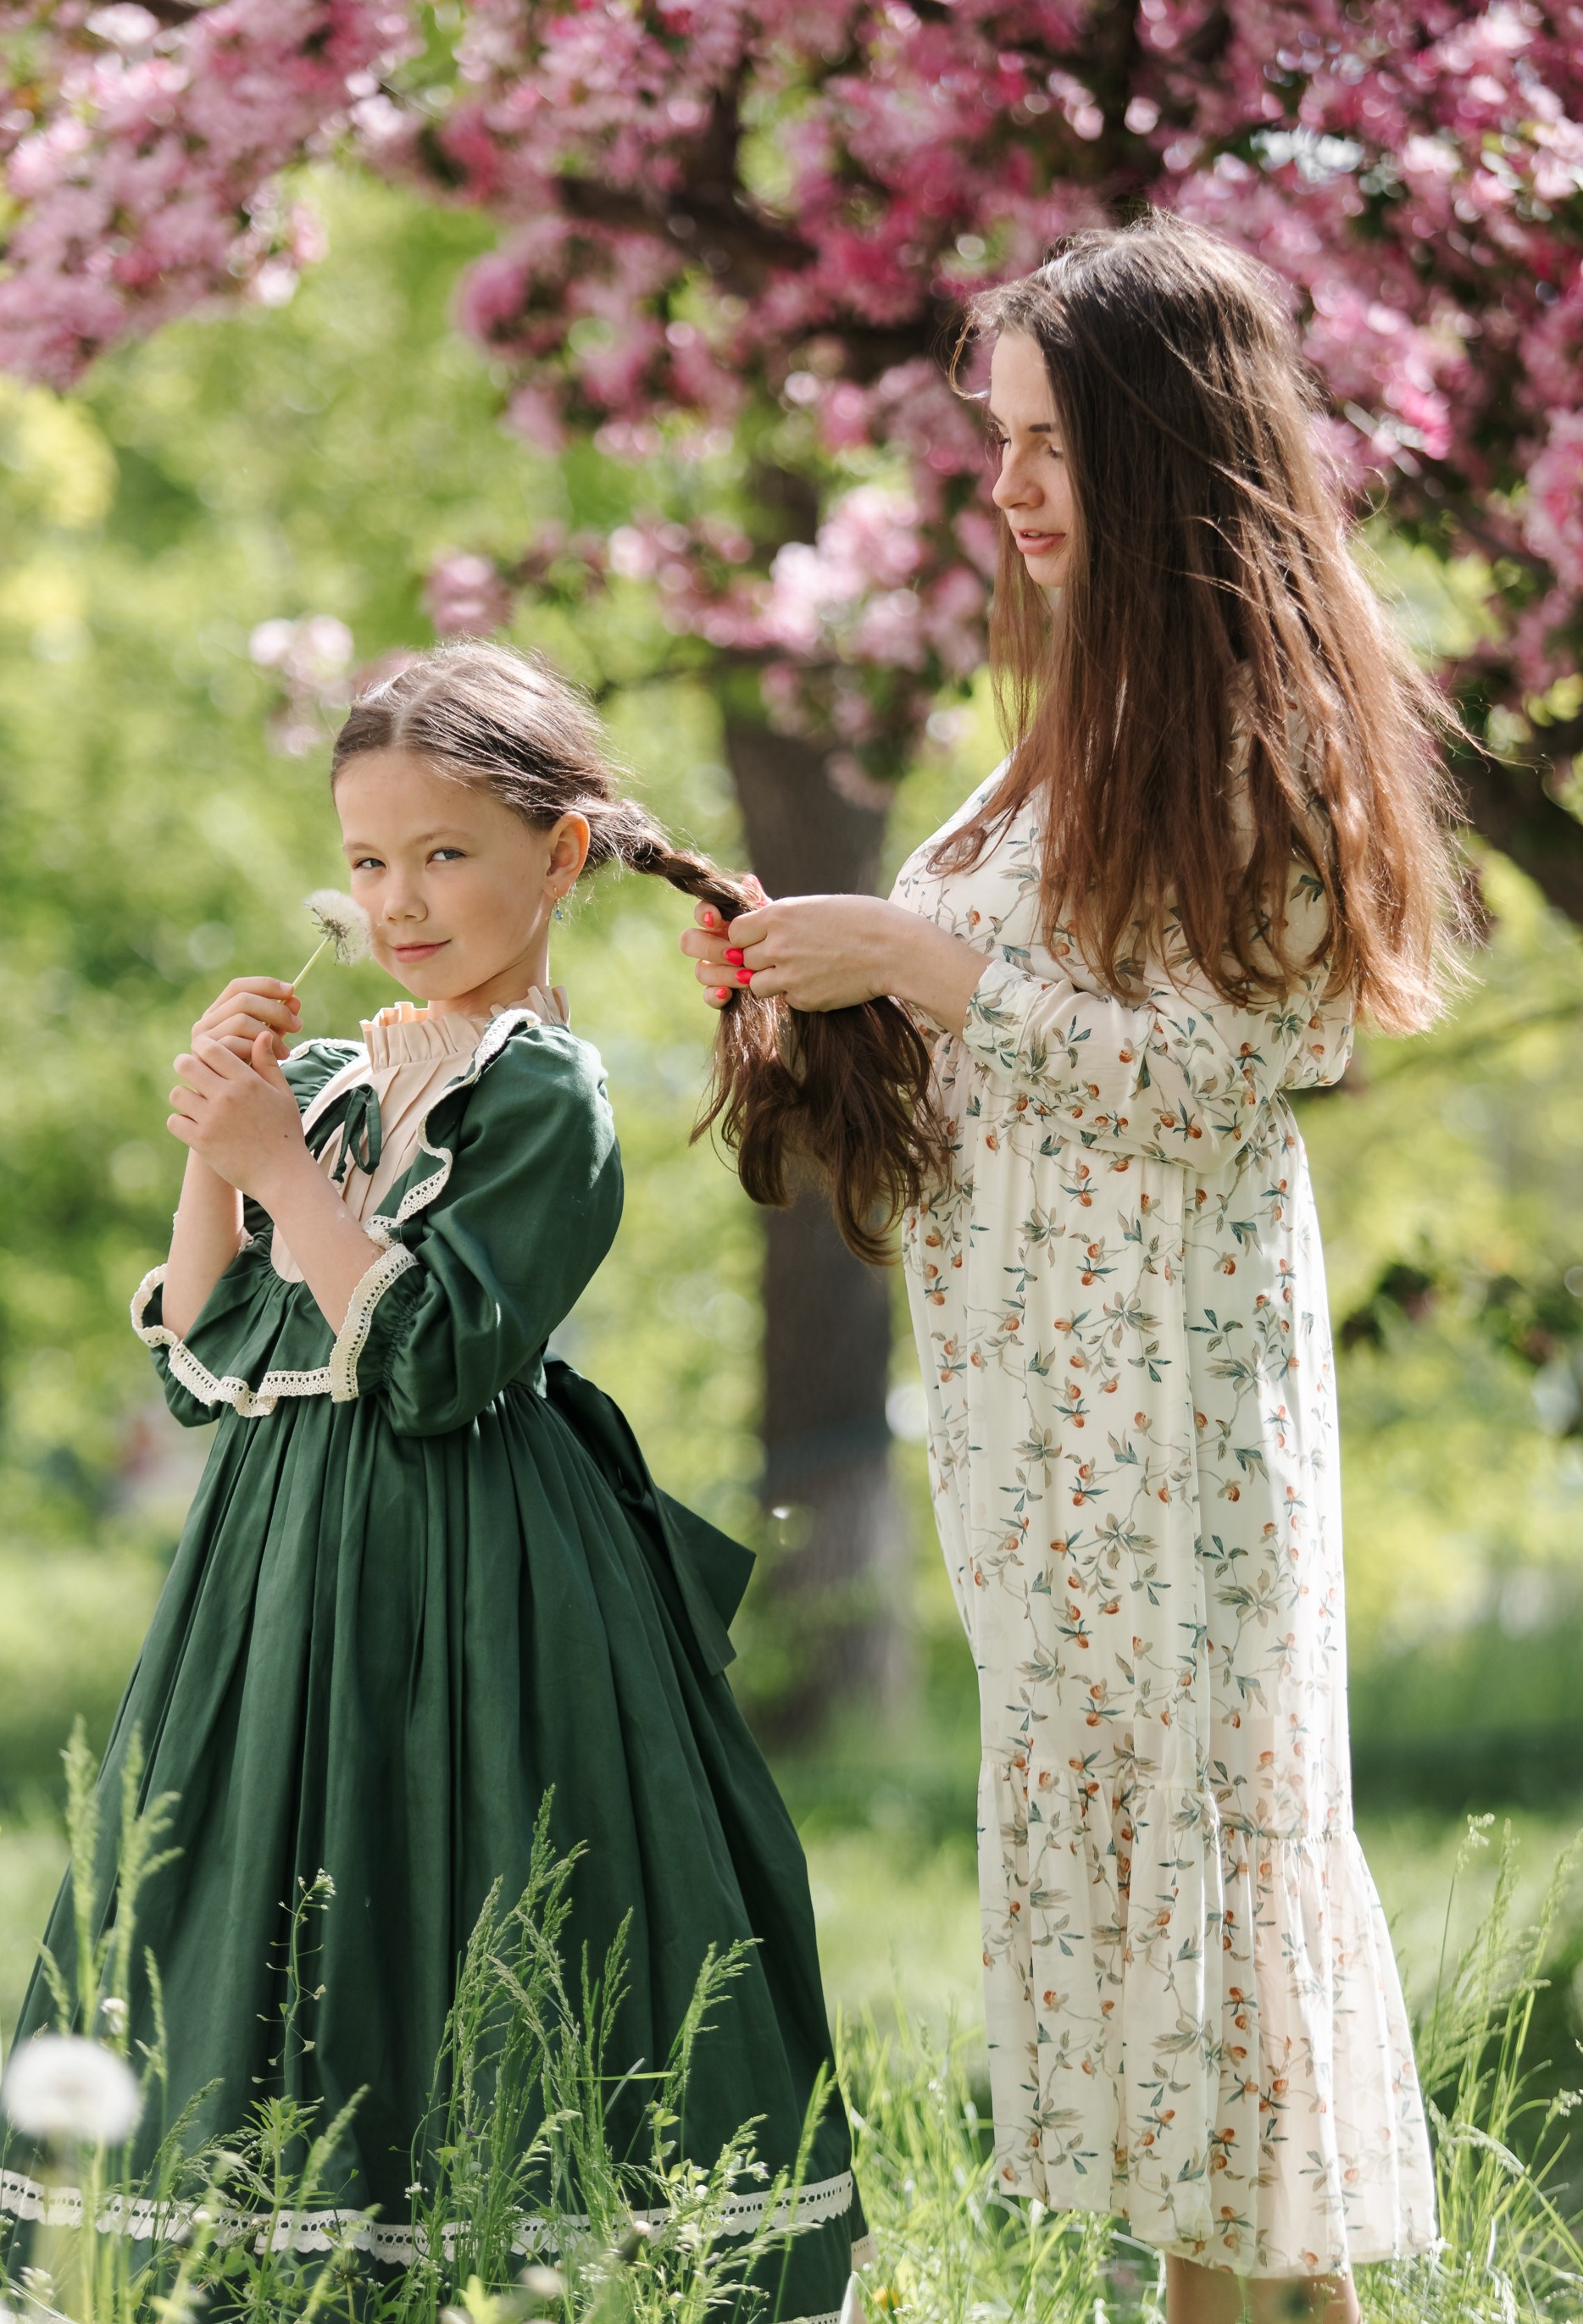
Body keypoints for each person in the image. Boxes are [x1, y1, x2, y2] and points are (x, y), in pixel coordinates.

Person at [684, 217, 1455, 2321]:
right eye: (998, 442)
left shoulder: (1257, 725)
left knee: (1214, 1881)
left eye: (1045, 443)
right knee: (1151, 1891)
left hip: (1174, 1429)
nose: (1006, 486)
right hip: (1039, 1434)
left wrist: (923, 964)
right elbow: (1015, 1053)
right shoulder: (1067, 729)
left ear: (1156, 446)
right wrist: (813, 985)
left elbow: (1226, 1078)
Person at [0, 643, 859, 2320]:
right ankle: (260, 2256)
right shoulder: (331, 1080)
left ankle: (479, 2260)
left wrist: (279, 1168)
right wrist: (214, 1156)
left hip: (474, 1569)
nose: (399, 899)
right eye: (367, 860)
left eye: (445, 853)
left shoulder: (544, 1096)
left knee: (463, 1868)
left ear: (561, 857)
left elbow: (441, 1351)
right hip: (278, 1565)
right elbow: (211, 1358)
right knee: (260, 1879)